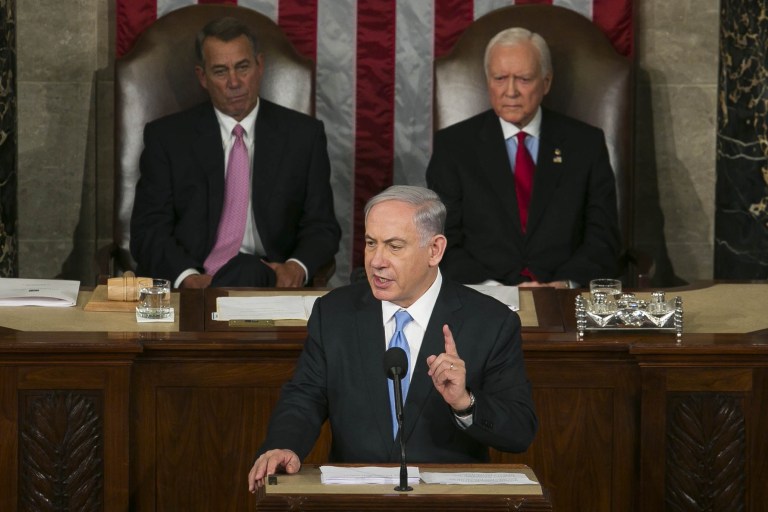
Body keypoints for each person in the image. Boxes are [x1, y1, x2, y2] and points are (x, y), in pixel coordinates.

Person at [248, 185, 537, 492]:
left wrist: (464, 403)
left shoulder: (490, 321)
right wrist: (283, 445)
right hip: (354, 499)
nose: (376, 261)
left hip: (447, 503)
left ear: (435, 250)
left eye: (394, 246)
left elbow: (519, 432)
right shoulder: (334, 313)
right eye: (371, 243)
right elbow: (304, 398)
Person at [130, 17, 341, 289]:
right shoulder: (167, 138)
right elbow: (149, 230)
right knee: (240, 274)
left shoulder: (304, 136)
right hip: (197, 284)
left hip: (272, 284)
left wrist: (296, 267)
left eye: (243, 67)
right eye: (220, 71)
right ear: (202, 77)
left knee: (249, 270)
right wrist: (188, 278)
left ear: (260, 66)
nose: (234, 82)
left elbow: (322, 226)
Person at [426, 27, 620, 289]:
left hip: (565, 297)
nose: (511, 91)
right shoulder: (454, 147)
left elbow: (603, 238)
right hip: (482, 298)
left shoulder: (585, 144)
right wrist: (495, 289)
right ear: (487, 81)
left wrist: (564, 285)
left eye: (524, 79)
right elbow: (443, 240)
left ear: (546, 82)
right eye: (500, 78)